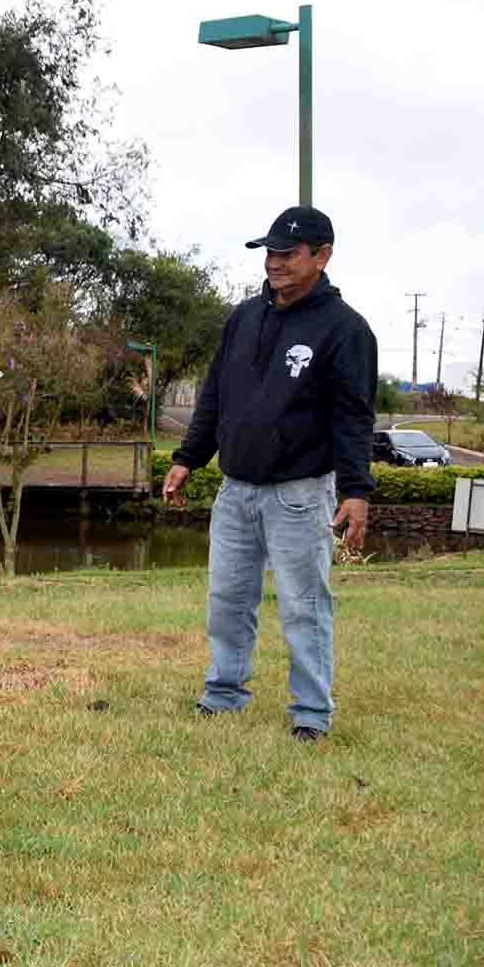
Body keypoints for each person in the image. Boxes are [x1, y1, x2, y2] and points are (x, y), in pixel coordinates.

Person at [163, 206, 377, 742]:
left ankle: (311, 713)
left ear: (323, 255)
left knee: (305, 605)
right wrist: (188, 457)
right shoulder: (243, 317)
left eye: (288, 253)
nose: (275, 263)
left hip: (301, 494)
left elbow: (353, 417)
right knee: (228, 600)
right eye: (270, 253)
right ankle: (224, 693)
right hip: (236, 490)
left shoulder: (345, 330)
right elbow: (214, 395)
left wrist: (355, 491)